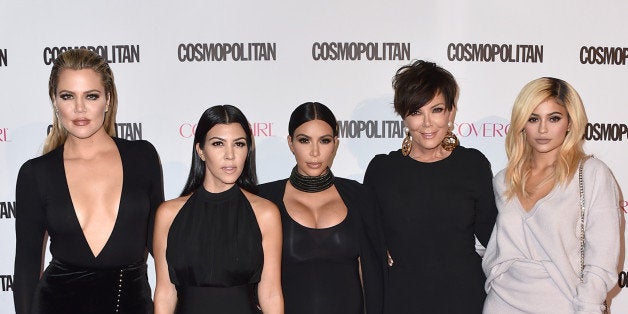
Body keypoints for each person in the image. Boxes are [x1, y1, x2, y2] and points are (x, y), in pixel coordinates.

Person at [13, 48, 163, 313]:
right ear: (55, 101)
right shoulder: (36, 174)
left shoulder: (142, 157)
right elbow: (25, 267)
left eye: (91, 96)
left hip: (130, 305)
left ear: (108, 100)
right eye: (68, 96)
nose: (80, 108)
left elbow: (161, 247)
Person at [363, 60, 498, 313]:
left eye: (436, 110)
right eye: (416, 112)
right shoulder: (382, 170)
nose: (427, 123)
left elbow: (494, 236)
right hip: (400, 299)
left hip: (464, 298)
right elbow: (368, 242)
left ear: (451, 112)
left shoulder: (472, 164)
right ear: (404, 116)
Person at [482, 77, 621, 313]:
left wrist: (588, 306)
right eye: (533, 119)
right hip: (501, 304)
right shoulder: (505, 180)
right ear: (522, 124)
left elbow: (602, 258)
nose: (543, 129)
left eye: (554, 118)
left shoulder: (591, 174)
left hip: (564, 305)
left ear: (570, 122)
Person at [258, 102, 386, 314]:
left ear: (335, 143)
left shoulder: (360, 196)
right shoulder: (264, 199)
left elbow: (371, 277)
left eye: (324, 141)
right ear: (290, 143)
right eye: (304, 140)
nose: (315, 152)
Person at [153, 105, 283, 314]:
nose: (230, 155)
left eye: (239, 144)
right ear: (201, 151)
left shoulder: (265, 213)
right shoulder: (168, 214)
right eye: (218, 144)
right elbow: (165, 293)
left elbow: (270, 293)